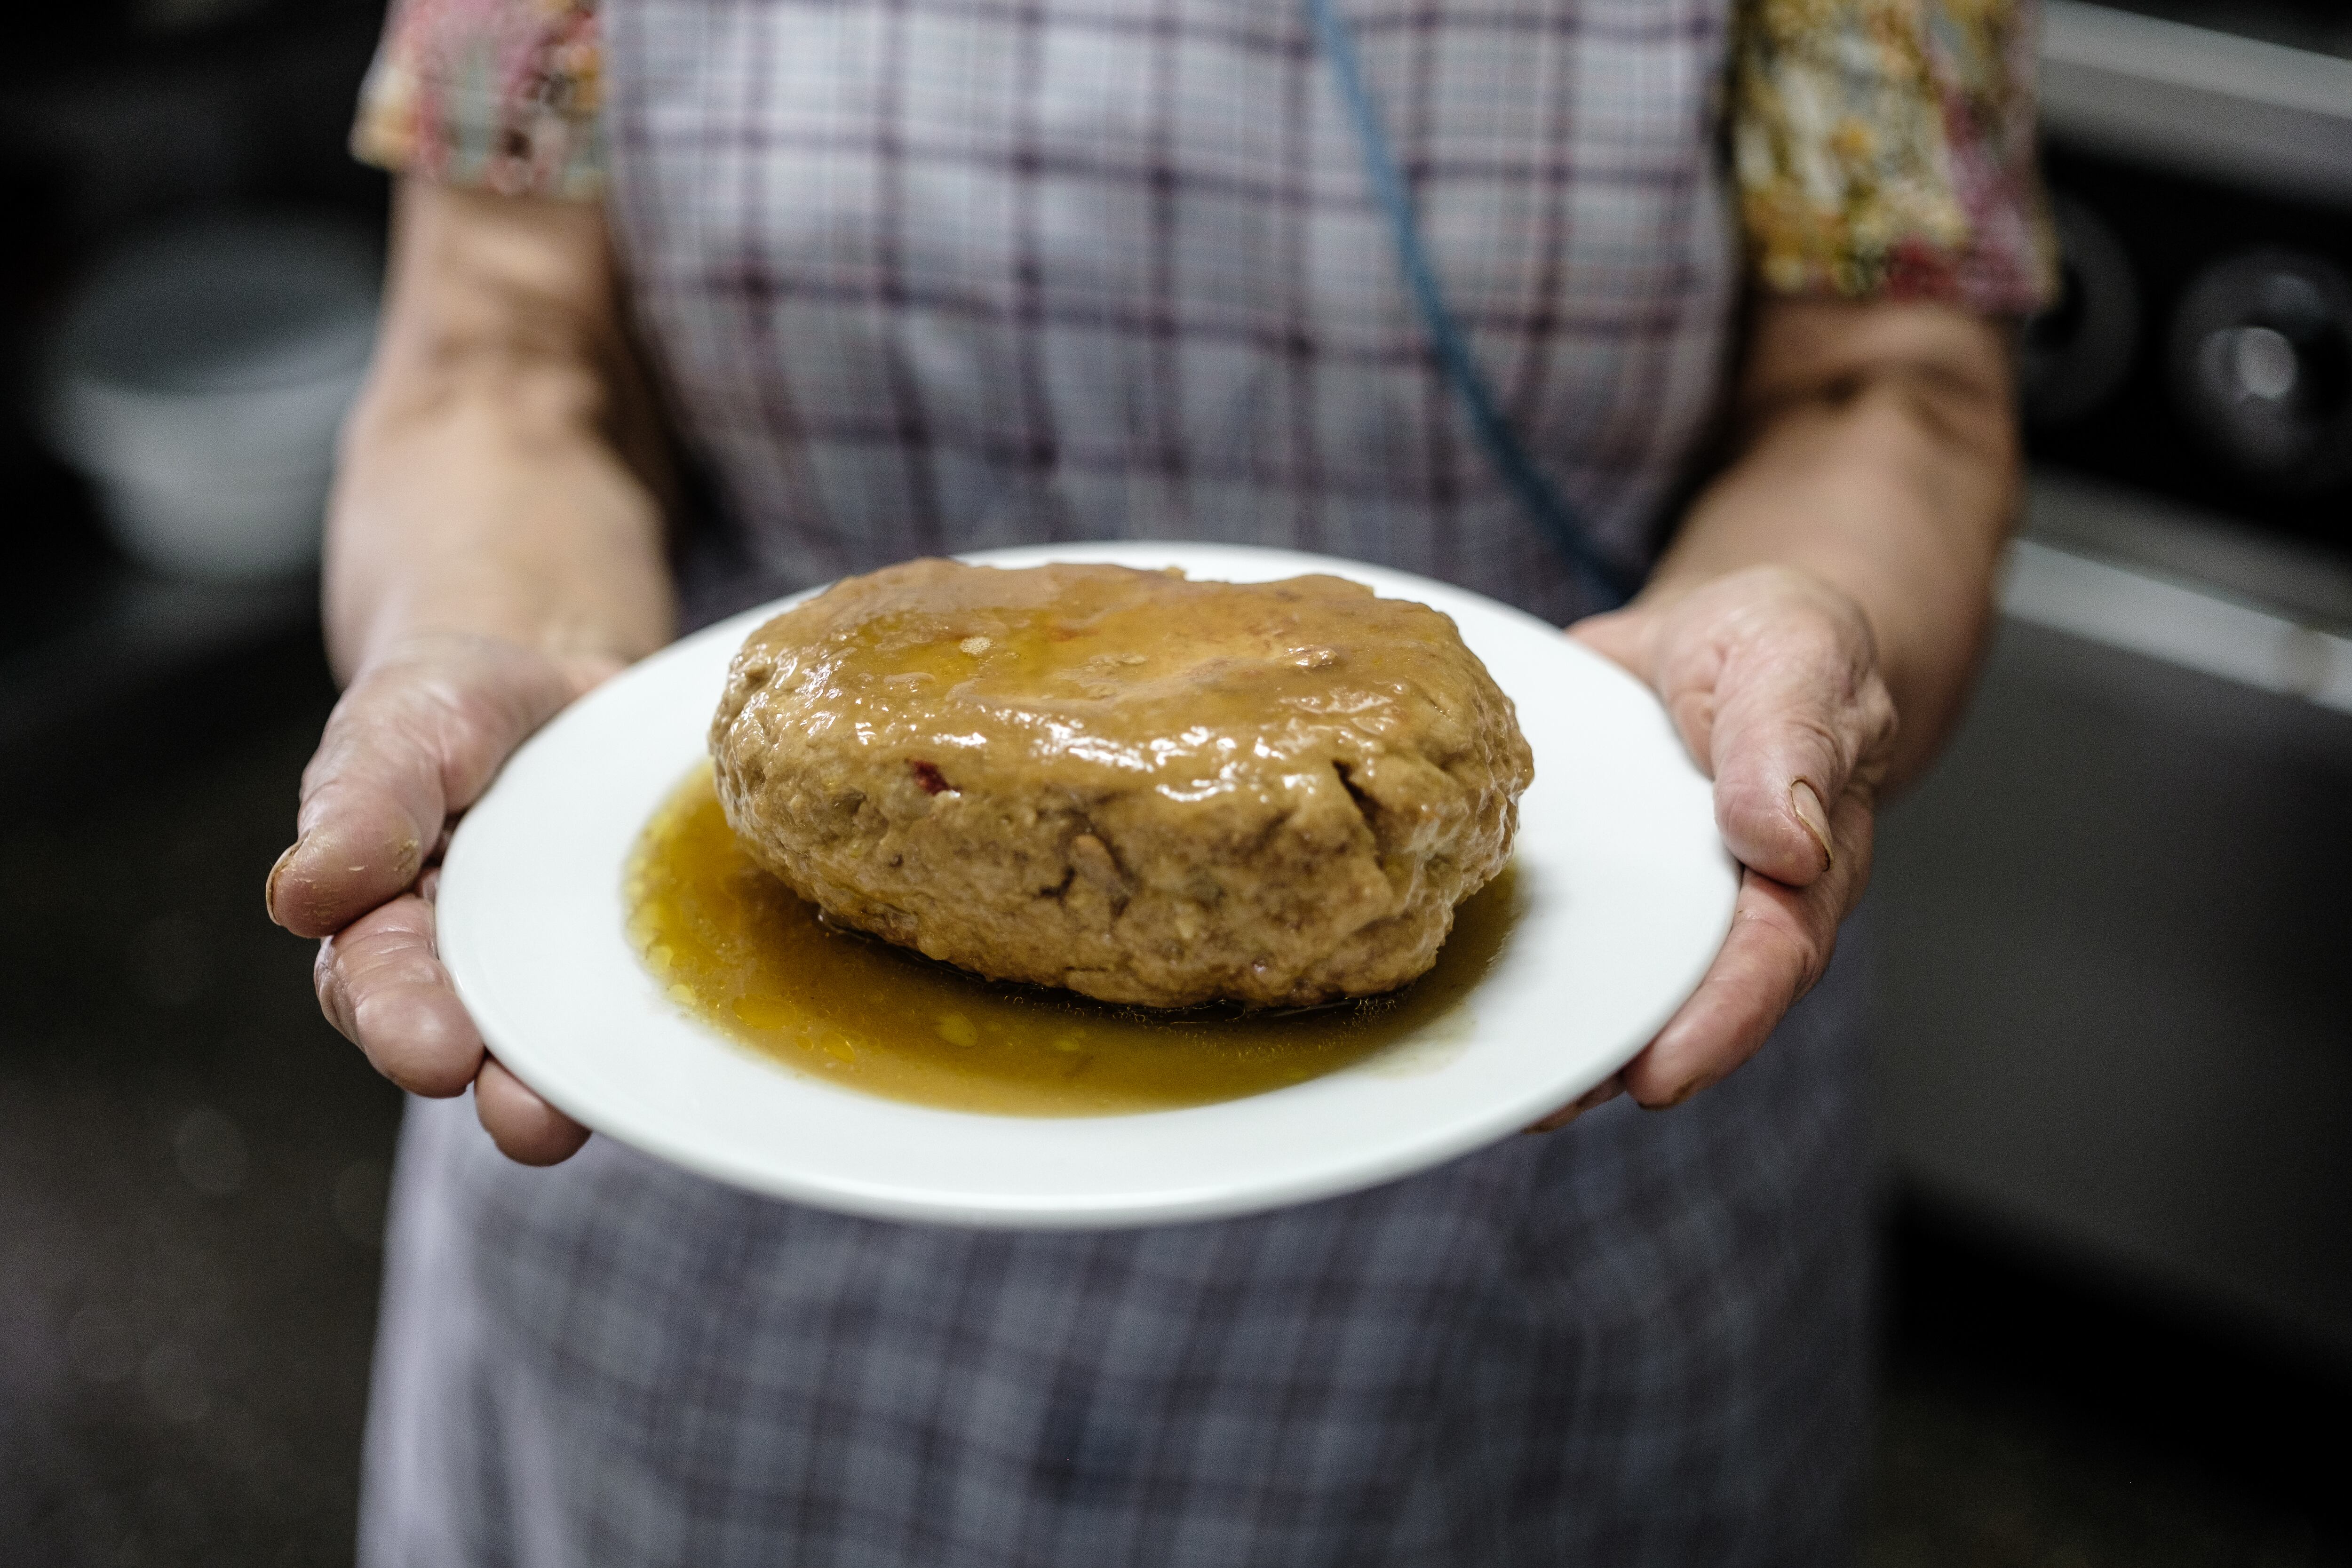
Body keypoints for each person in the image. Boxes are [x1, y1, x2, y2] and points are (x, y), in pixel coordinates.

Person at [269, 0, 2051, 1560]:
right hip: (704, 1181)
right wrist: (494, 631)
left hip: (1556, 1122)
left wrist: (1788, 629)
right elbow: (499, 356)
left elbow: (1889, 388)